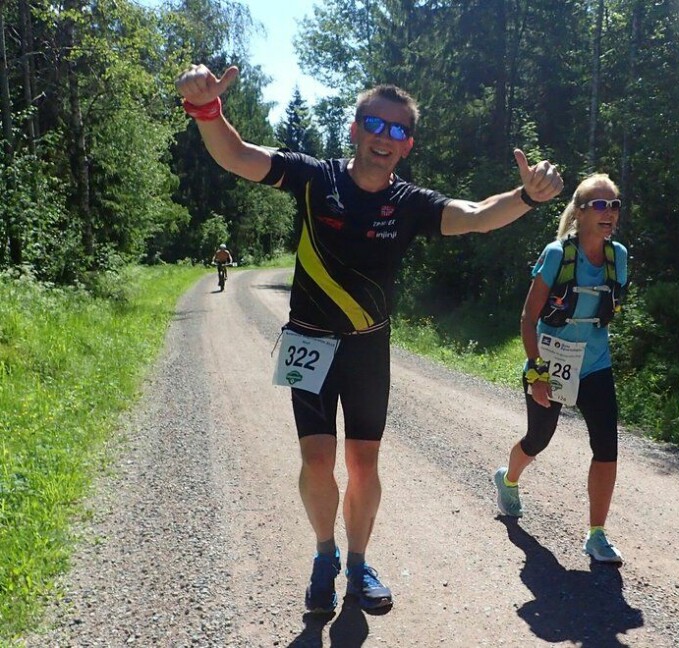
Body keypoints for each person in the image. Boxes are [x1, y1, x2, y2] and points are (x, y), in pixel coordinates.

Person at [174, 64, 563, 612]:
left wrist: (527, 197)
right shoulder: (315, 177)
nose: (385, 136)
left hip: (367, 348)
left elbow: (475, 215)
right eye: (374, 124)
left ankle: (358, 566)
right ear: (355, 129)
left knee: (362, 463)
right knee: (315, 460)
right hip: (308, 339)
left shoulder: (408, 204)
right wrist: (207, 111)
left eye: (399, 130)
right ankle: (323, 557)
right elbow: (237, 155)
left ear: (408, 147)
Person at [493, 173, 628, 565]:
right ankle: (508, 478)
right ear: (581, 213)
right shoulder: (556, 254)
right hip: (549, 363)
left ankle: (597, 534)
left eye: (614, 205)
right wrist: (536, 372)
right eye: (600, 205)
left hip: (595, 366)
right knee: (538, 439)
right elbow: (527, 317)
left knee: (606, 447)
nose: (609, 212)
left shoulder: (618, 256)